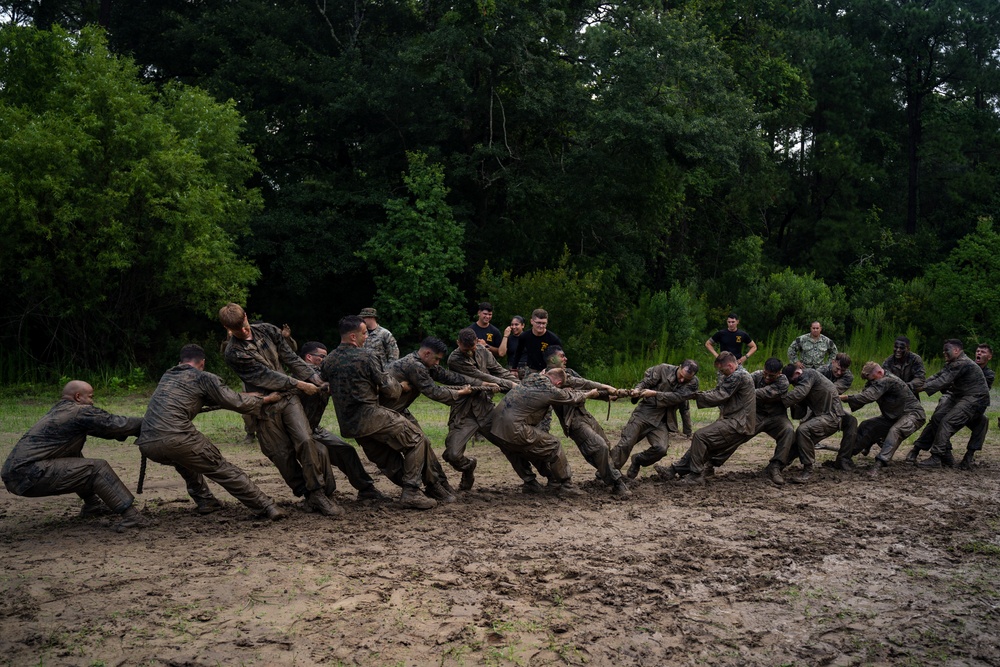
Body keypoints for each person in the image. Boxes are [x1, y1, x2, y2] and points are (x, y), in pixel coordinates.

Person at [136, 344, 286, 520]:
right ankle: (266, 506)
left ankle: (205, 501)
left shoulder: (168, 376)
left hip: (147, 443)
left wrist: (250, 396)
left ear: (180, 362)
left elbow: (223, 397)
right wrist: (267, 399)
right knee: (221, 468)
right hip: (177, 437)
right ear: (203, 363)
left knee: (184, 460)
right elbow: (235, 402)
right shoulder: (203, 378)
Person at [219, 303, 341, 517]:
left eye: (244, 324)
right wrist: (301, 385)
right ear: (227, 327)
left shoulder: (268, 330)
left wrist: (314, 378)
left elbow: (291, 358)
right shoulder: (233, 352)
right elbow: (266, 376)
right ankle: (306, 493)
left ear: (246, 316)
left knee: (305, 440)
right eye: (237, 329)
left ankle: (317, 492)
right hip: (265, 404)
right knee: (280, 454)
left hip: (288, 398)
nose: (244, 330)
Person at [320, 316, 438, 510]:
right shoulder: (367, 357)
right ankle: (411, 492)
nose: (366, 337)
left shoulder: (329, 360)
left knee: (386, 458)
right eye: (364, 333)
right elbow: (389, 389)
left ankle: (414, 489)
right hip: (370, 415)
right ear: (352, 336)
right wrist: (401, 386)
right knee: (417, 439)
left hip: (349, 424)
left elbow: (324, 382)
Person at [2, 380, 151, 530]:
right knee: (97, 468)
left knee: (75, 459)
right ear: (78, 397)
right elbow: (115, 424)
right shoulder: (79, 411)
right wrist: (152, 422)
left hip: (17, 474)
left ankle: (92, 505)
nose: (92, 402)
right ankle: (132, 517)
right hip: (28, 474)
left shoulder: (62, 411)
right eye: (91, 397)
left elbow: (106, 429)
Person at [383, 337, 488, 501]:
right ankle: (433, 485)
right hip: (387, 415)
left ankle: (440, 483)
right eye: (437, 359)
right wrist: (459, 393)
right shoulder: (415, 366)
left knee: (425, 445)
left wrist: (482, 383)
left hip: (399, 411)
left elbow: (449, 377)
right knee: (420, 443)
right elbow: (434, 392)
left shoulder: (423, 363)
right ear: (426, 353)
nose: (438, 363)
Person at [490, 367, 600, 496]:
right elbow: (572, 398)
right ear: (558, 384)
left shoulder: (531, 378)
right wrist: (589, 394)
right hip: (514, 427)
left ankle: (532, 483)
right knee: (554, 445)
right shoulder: (549, 389)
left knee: (520, 450)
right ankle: (567, 485)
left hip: (496, 427)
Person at [299, 341, 386, 502]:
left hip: (314, 428)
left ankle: (366, 489)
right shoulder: (302, 373)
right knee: (321, 453)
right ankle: (322, 495)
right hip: (297, 431)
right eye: (322, 357)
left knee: (346, 451)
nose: (325, 361)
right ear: (309, 357)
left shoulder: (324, 374)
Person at [543, 346, 631, 498]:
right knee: (599, 447)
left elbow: (585, 384)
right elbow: (576, 393)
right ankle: (617, 483)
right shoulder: (546, 379)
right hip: (573, 421)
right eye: (562, 356)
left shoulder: (568, 373)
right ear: (552, 359)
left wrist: (609, 394)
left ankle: (606, 473)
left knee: (606, 446)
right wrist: (604, 390)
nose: (565, 359)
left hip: (585, 415)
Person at [656, 352, 755, 486]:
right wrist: (697, 395)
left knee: (700, 437)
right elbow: (718, 391)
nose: (721, 373)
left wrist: (694, 396)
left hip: (738, 423)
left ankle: (696, 476)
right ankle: (673, 470)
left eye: (722, 370)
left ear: (730, 366)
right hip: (735, 420)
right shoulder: (736, 374)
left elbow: (720, 395)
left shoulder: (739, 376)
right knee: (702, 443)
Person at [446, 327, 522, 490]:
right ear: (458, 343)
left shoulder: (482, 350)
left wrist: (522, 386)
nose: (470, 351)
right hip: (464, 413)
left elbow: (498, 371)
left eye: (473, 347)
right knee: (453, 454)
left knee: (509, 445)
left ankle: (530, 480)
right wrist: (510, 385)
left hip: (485, 410)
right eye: (466, 349)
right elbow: (483, 377)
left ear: (476, 342)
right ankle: (468, 467)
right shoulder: (454, 359)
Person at [609, 360, 700, 478]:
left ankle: (637, 460)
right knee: (626, 442)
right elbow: (645, 382)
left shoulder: (693, 383)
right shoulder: (662, 369)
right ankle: (607, 472)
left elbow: (680, 399)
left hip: (663, 419)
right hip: (645, 413)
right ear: (679, 367)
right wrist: (637, 390)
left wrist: (687, 430)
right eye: (681, 376)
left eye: (686, 379)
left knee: (661, 449)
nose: (682, 380)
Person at [907, 339, 990, 468]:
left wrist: (920, 388)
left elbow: (942, 381)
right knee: (937, 418)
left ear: (956, 350)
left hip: (975, 399)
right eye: (943, 350)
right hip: (960, 396)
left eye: (947, 350)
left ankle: (936, 457)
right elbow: (937, 376)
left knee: (947, 422)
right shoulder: (954, 362)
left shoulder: (962, 363)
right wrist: (914, 385)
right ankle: (946, 455)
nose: (944, 353)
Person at [840, 361, 925, 474]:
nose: (871, 382)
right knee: (867, 425)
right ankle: (846, 456)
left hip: (913, 414)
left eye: (872, 379)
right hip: (893, 416)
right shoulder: (875, 381)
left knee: (895, 431)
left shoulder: (888, 380)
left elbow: (868, 396)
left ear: (880, 372)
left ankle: (879, 463)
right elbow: (863, 397)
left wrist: (843, 397)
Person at [779, 363, 857, 482]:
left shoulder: (809, 374)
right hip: (823, 415)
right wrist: (795, 405)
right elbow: (799, 414)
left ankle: (808, 470)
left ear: (797, 373)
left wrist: (777, 401)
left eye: (792, 381)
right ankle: (778, 465)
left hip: (831, 416)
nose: (793, 384)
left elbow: (798, 394)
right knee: (799, 440)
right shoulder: (803, 384)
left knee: (803, 431)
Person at [753, 358, 797, 486]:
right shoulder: (756, 376)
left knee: (788, 431)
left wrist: (746, 392)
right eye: (765, 373)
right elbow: (742, 384)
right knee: (737, 432)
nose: (766, 377)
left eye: (771, 376)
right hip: (757, 415)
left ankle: (776, 467)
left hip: (777, 417)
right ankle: (712, 463)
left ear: (779, 373)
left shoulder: (783, 381)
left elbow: (765, 393)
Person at [509, 308, 562, 375]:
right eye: (538, 323)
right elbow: (518, 352)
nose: (541, 326)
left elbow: (560, 359)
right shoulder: (524, 336)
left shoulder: (553, 339)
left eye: (544, 323)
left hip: (549, 371)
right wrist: (514, 369)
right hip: (531, 370)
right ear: (532, 321)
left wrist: (549, 370)